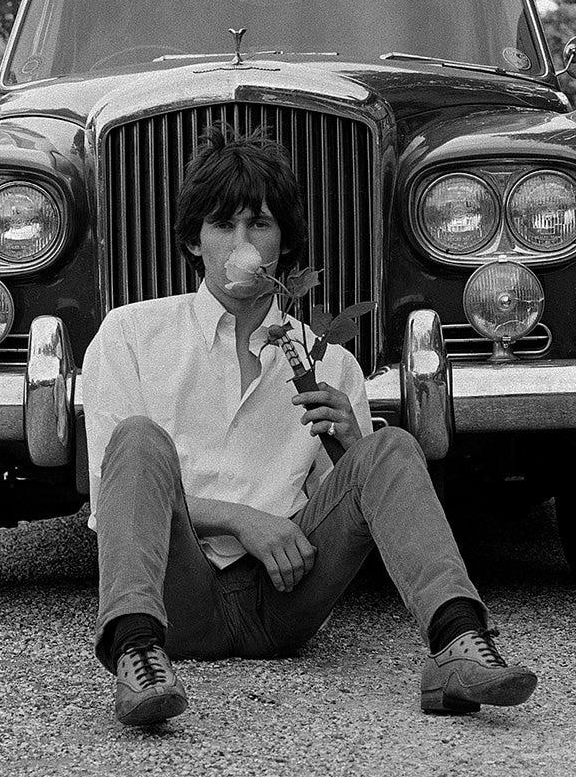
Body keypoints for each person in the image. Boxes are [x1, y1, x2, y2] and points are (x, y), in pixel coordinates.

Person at [81, 124, 537, 726]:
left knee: (389, 446)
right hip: (179, 597)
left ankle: (457, 643)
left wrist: (353, 443)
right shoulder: (130, 334)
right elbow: (109, 496)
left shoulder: (326, 362)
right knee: (137, 440)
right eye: (223, 226)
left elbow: (349, 511)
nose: (241, 243)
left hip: (284, 599)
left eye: (259, 225)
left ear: (283, 246)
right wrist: (245, 520)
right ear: (195, 241)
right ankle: (137, 657)